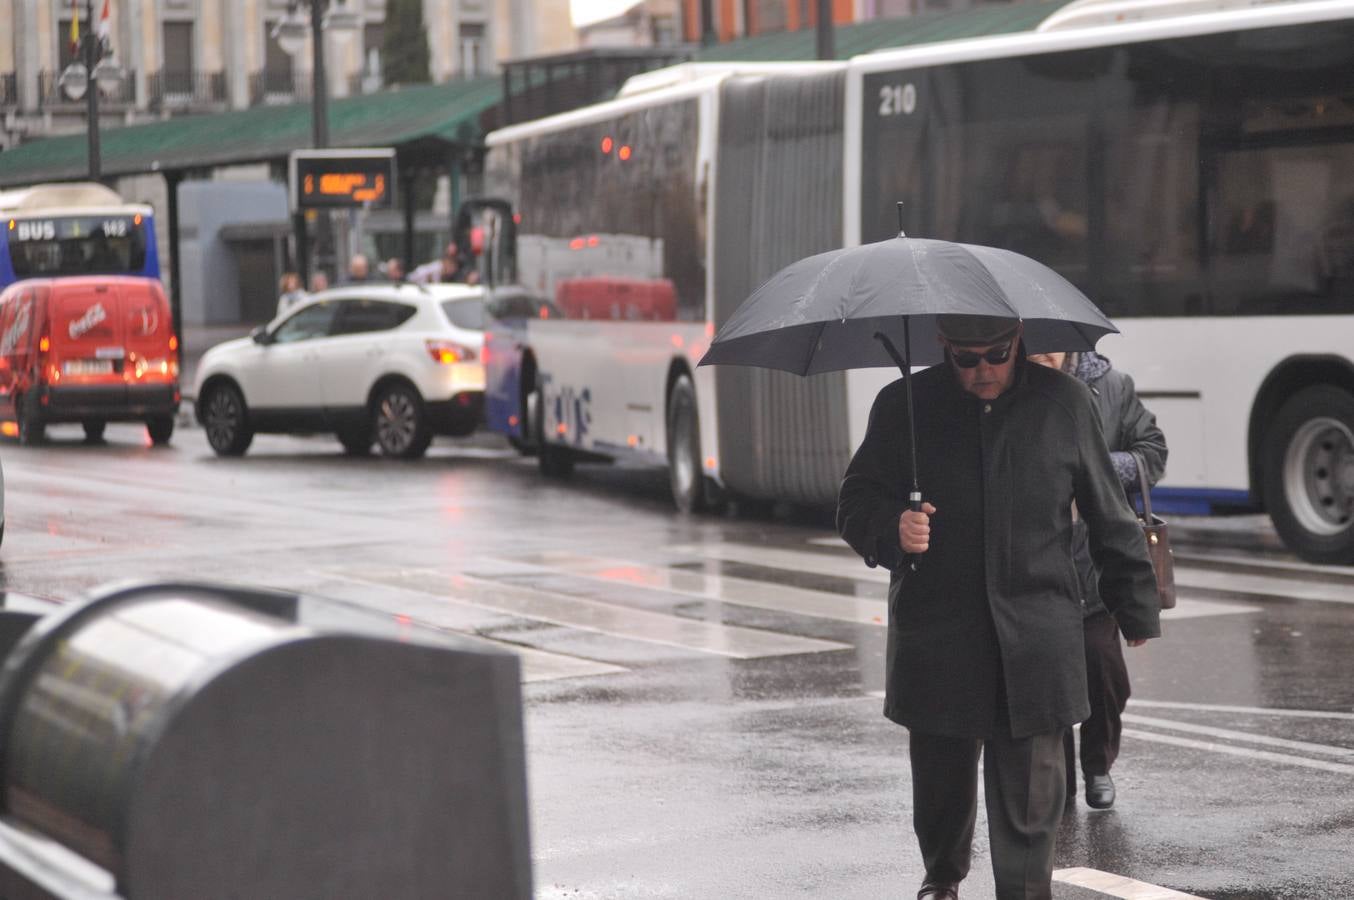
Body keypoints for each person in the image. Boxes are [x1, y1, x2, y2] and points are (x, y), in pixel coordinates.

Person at [837, 314, 1161, 900]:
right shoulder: (902, 405)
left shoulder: (1066, 403)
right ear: (942, 347)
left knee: (1033, 799)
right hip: (939, 630)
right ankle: (942, 878)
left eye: (996, 353)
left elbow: (1108, 511)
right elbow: (855, 498)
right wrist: (892, 530)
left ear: (1019, 341)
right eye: (966, 358)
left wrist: (1134, 603)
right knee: (941, 781)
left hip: (1036, 631)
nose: (982, 369)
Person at [1028, 349, 1167, 811]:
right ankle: (1059, 777)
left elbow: (1153, 452)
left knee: (1104, 672)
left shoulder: (1111, 386)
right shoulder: (1007, 391)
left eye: (1053, 343)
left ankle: (1097, 764)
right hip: (1037, 560)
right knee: (1045, 675)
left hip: (1096, 556)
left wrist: (1097, 469)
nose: (1042, 351)